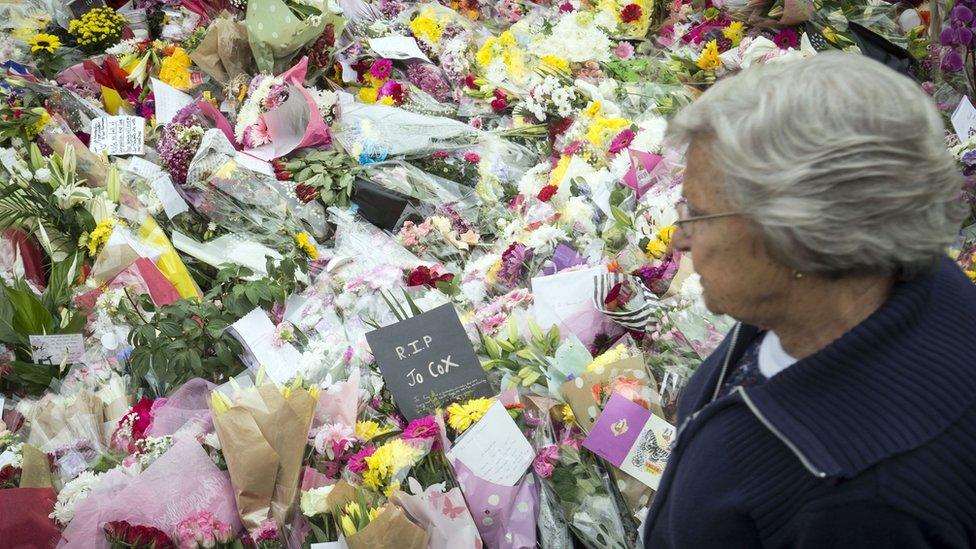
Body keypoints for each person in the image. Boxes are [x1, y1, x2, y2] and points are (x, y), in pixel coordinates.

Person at [642, 52, 976, 548]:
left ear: (796, 236)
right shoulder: (879, 287)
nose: (678, 240)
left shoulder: (861, 506)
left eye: (697, 212)